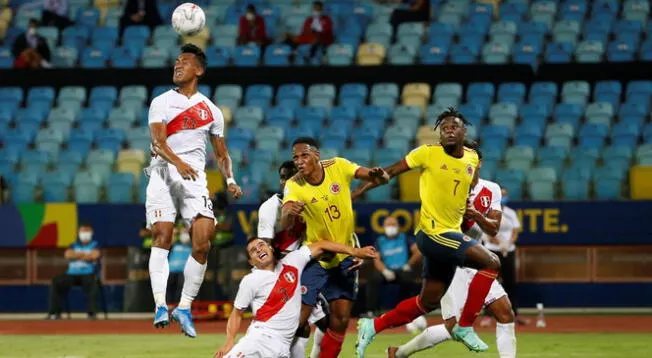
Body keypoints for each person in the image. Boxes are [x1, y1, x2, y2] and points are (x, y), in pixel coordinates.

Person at [354, 107, 502, 357]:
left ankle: (373, 325)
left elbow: (467, 186)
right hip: (433, 233)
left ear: (463, 131)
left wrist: (465, 207)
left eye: (453, 126)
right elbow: (390, 171)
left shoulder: (471, 158)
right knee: (492, 262)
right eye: (443, 128)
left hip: (450, 233)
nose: (448, 131)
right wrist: (359, 191)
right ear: (439, 134)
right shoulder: (426, 153)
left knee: (428, 302)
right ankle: (465, 326)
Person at [145, 43, 243, 338]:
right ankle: (161, 304)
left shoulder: (212, 111)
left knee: (203, 241)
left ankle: (184, 307)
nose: (177, 65)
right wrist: (179, 164)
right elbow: (158, 143)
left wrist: (230, 180)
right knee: (162, 235)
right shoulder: (160, 102)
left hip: (194, 180)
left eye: (184, 62)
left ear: (198, 70)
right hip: (163, 174)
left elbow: (221, 153)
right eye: (175, 62)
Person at [387, 149, 517, 358]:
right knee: (452, 327)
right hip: (452, 260)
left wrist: (476, 215)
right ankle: (399, 353)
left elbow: (493, 229)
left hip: (478, 260)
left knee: (505, 313)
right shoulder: (445, 186)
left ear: (478, 162)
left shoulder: (490, 189)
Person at [280, 136, 389, 357]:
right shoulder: (294, 184)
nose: (299, 161)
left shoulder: (338, 166)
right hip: (316, 258)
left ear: (317, 155)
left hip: (345, 258)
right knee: (298, 319)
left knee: (339, 321)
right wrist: (287, 213)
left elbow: (371, 175)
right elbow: (285, 219)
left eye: (304, 155)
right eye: (295, 157)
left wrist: (377, 175)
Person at [214, 238, 377, 358]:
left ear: (270, 248)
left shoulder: (293, 261)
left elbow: (321, 245)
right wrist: (229, 341)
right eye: (253, 250)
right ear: (251, 261)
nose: (258, 249)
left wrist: (355, 251)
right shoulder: (250, 281)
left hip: (283, 348)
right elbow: (237, 313)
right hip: (259, 340)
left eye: (261, 245)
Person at [365, 216, 422, 317]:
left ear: (398, 227)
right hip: (387, 271)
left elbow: (418, 252)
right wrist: (384, 270)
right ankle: (372, 311)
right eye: (388, 225)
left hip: (402, 270)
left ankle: (404, 310)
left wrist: (408, 264)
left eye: (393, 225)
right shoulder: (380, 241)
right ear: (384, 227)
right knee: (374, 279)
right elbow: (376, 259)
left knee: (408, 279)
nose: (391, 227)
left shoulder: (404, 238)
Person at [484, 187, 525, 325]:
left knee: (510, 282)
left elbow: (515, 231)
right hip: (492, 250)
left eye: (505, 195)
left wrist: (507, 244)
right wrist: (499, 243)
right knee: (490, 282)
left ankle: (514, 313)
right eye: (501, 195)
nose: (503, 197)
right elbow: (488, 230)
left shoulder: (511, 213)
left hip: (508, 250)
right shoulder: (488, 212)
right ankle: (488, 315)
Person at [47, 222, 101, 320]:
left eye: (87, 231)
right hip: (71, 274)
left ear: (91, 233)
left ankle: (92, 313)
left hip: (88, 274)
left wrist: (76, 255)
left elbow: (94, 256)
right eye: (82, 231)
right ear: (78, 233)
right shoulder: (73, 245)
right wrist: (85, 255)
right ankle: (54, 313)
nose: (84, 233)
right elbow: (68, 255)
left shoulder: (95, 245)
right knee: (56, 281)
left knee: (92, 284)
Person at [167, 224, 192, 304]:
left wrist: (189, 231)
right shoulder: (174, 244)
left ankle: (179, 306)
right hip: (172, 269)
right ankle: (169, 305)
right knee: (169, 289)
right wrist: (176, 232)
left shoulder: (191, 245)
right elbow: (170, 242)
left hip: (184, 270)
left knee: (181, 289)